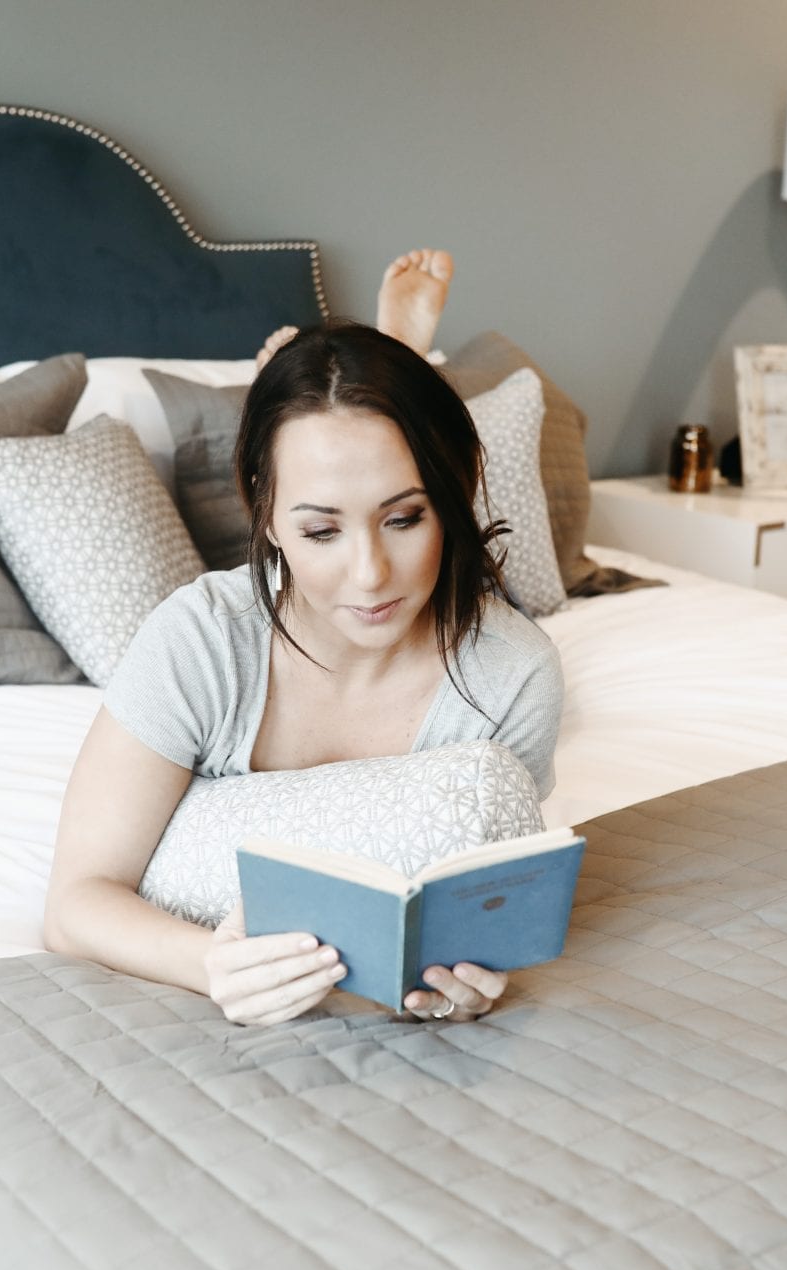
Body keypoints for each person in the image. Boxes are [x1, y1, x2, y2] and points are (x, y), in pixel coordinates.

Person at [41, 251, 564, 1026]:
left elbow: (476, 921)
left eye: (406, 517)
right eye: (320, 529)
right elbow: (73, 904)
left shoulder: (513, 675)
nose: (370, 574)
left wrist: (475, 978)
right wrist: (211, 964)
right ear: (265, 515)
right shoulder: (200, 642)